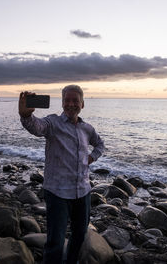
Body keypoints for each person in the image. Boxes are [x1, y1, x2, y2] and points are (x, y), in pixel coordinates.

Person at [19, 85, 105, 264]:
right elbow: (36, 127)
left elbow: (100, 144)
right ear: (62, 102)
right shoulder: (53, 123)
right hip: (57, 192)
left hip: (83, 191)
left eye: (75, 100)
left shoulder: (87, 128)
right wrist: (26, 115)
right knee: (55, 241)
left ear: (82, 104)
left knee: (80, 235)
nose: (71, 104)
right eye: (67, 100)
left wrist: (90, 158)